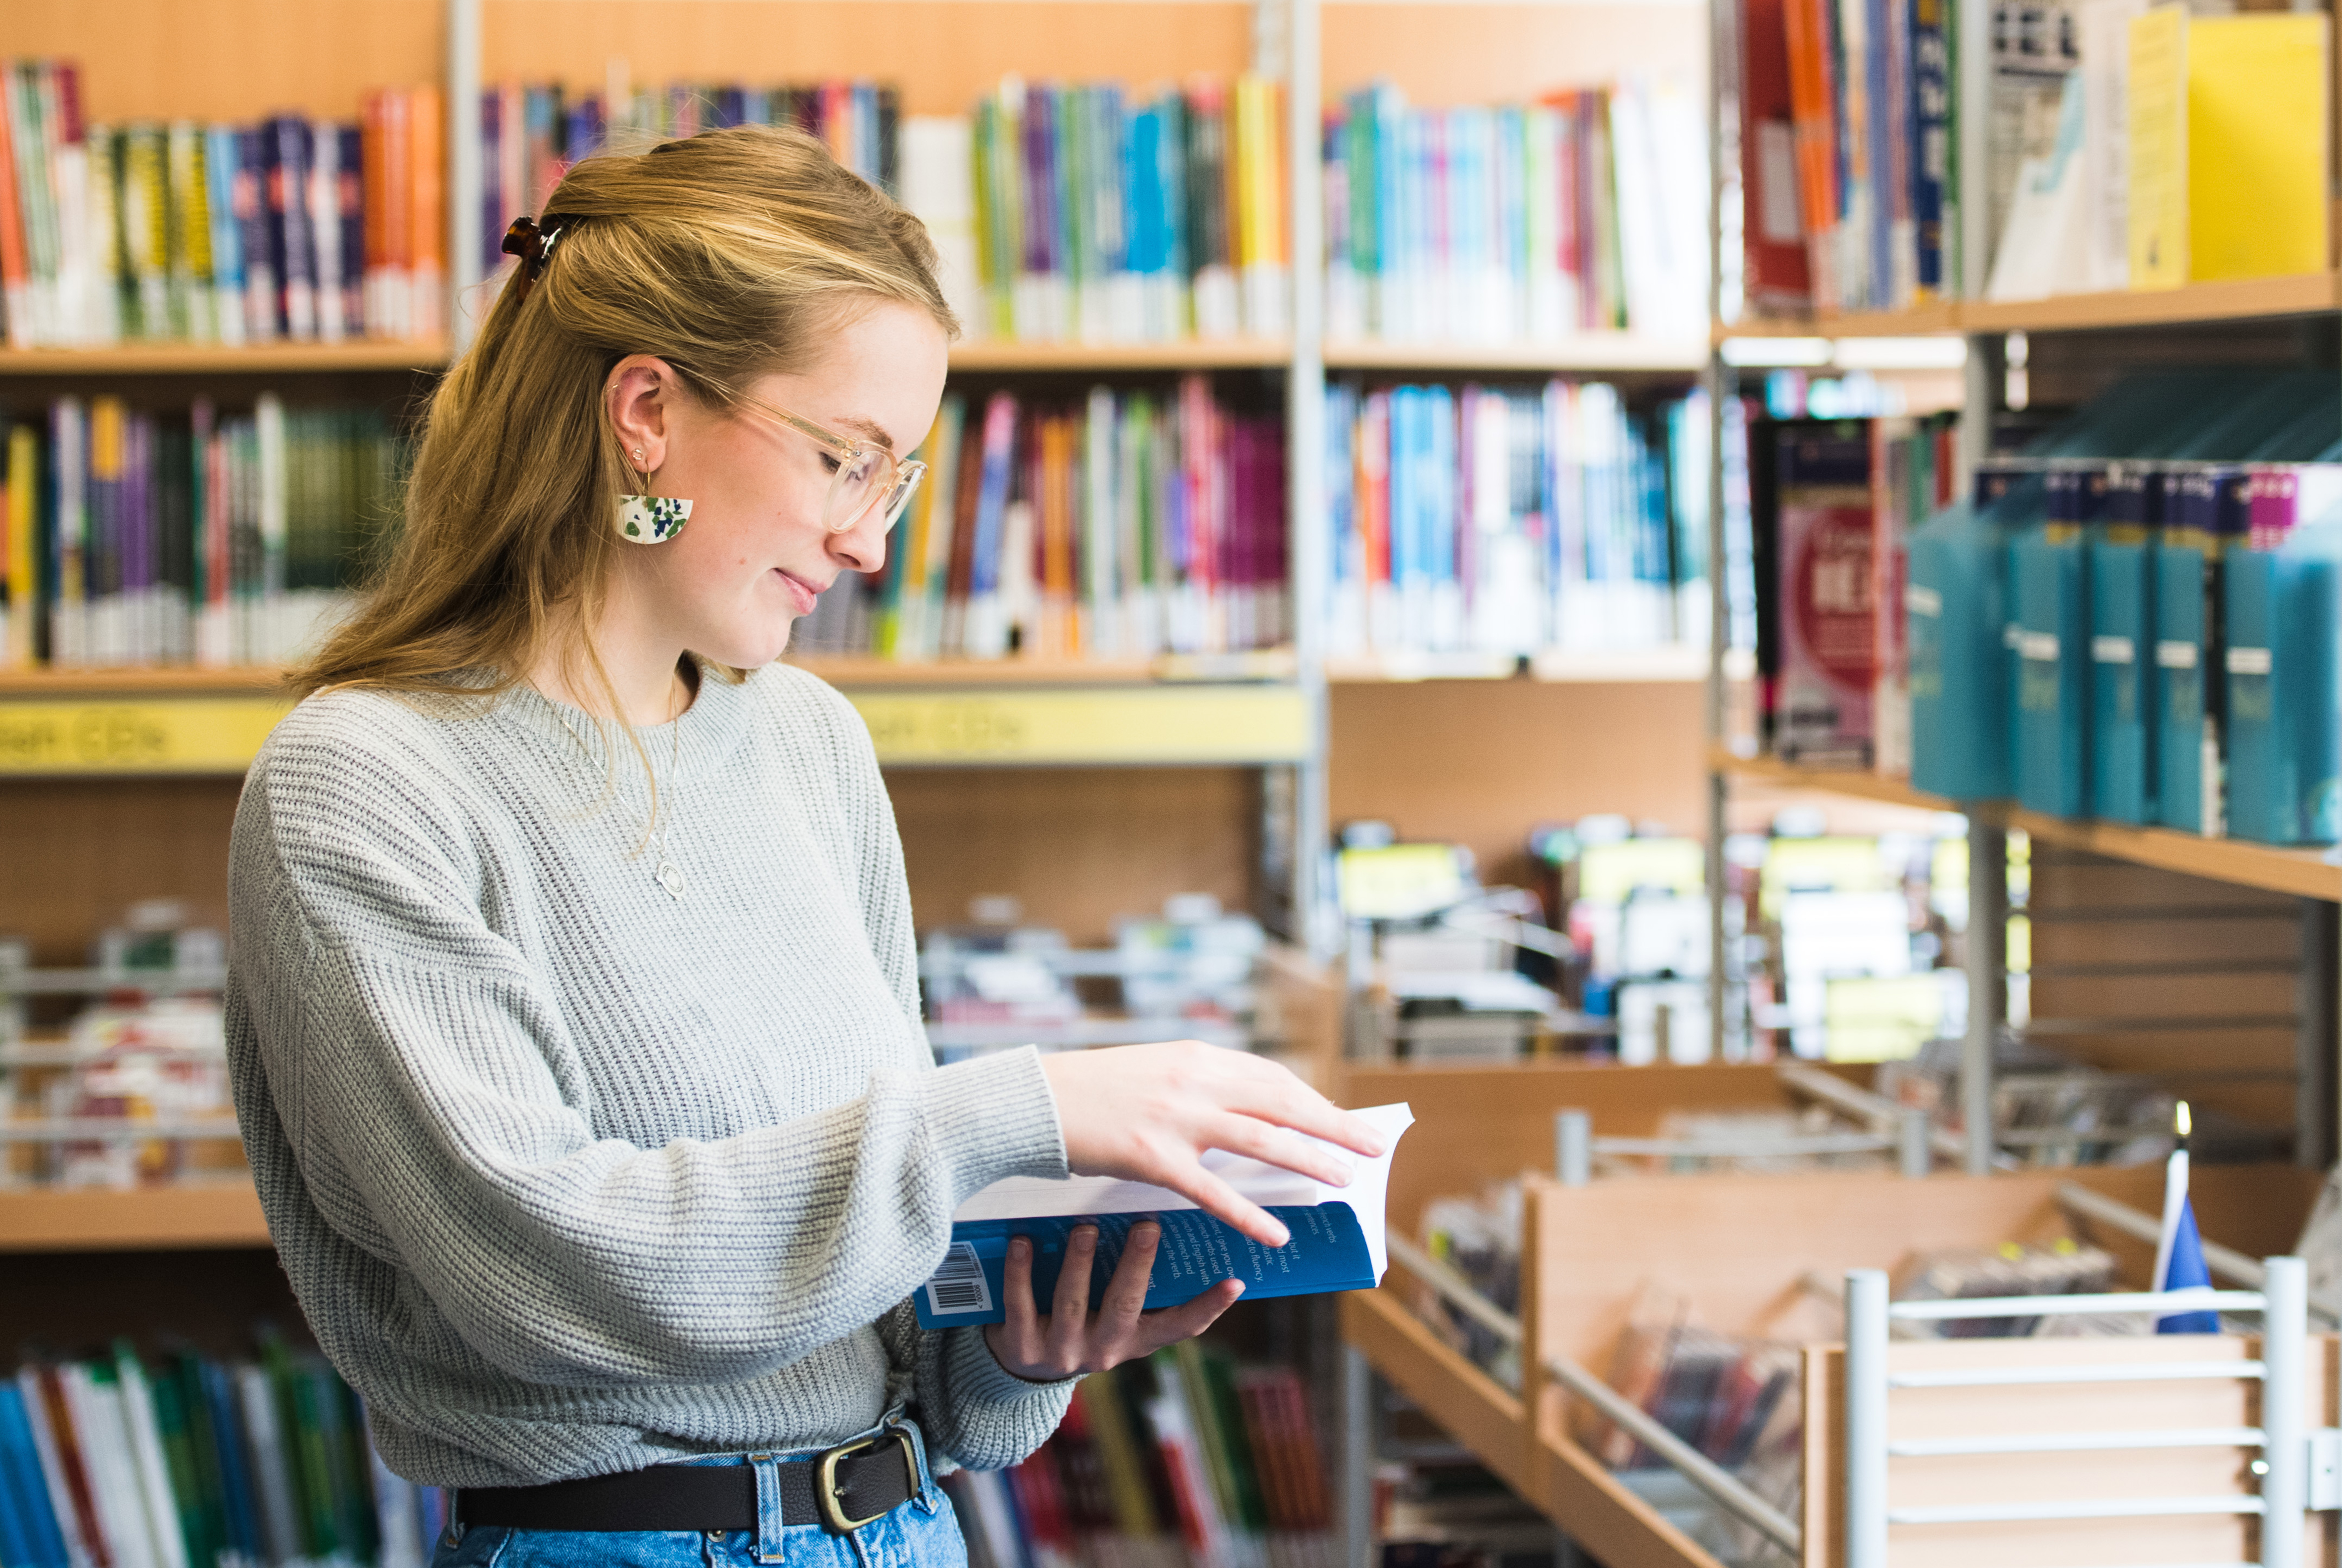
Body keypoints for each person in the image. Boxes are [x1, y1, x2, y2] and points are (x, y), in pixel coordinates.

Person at [223, 122, 1384, 1568]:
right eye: (845, 458)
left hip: (904, 1526)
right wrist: (1010, 1114)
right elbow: (540, 1268)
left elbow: (879, 1291)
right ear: (646, 410)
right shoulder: (366, 783)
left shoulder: (811, 743)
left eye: (893, 479)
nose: (867, 544)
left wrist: (1020, 1351)